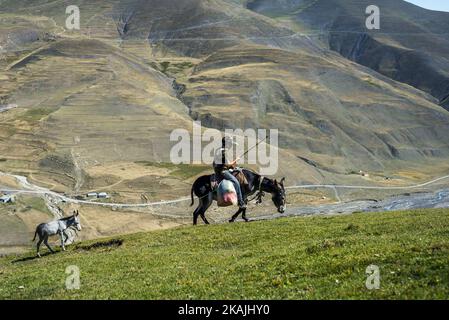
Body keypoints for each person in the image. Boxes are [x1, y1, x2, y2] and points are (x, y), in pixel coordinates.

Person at [213, 136, 246, 209]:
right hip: (223, 171)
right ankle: (240, 202)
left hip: (222, 169)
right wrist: (236, 159)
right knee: (236, 182)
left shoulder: (220, 150)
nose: (231, 146)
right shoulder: (223, 151)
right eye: (230, 144)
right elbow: (228, 164)